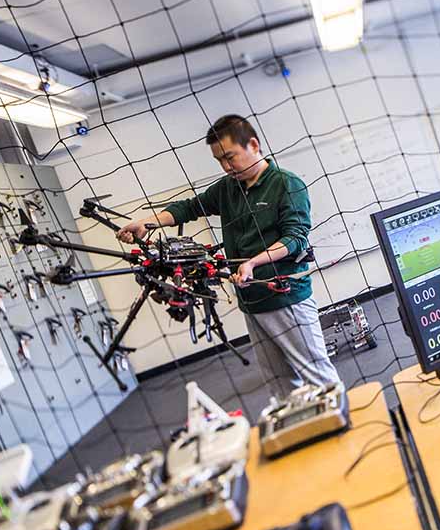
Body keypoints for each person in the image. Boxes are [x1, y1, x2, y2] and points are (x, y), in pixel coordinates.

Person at [117, 114, 341, 396]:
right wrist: (148, 222)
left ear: (254, 145)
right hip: (252, 304)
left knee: (318, 377)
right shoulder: (227, 188)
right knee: (280, 384)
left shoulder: (286, 184)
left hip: (287, 299)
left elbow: (295, 239)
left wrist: (253, 262)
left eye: (230, 157)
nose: (225, 167)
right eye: (219, 161)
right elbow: (190, 207)